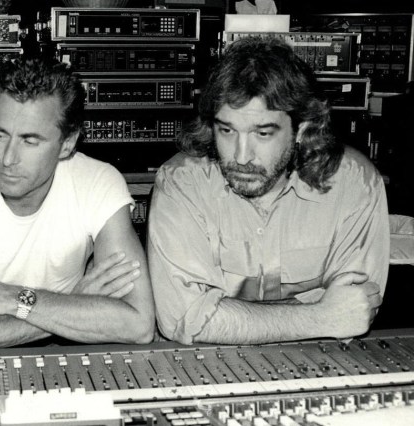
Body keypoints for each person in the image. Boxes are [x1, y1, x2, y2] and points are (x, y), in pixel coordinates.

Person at [148, 36, 389, 345]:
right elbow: (182, 317)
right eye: (227, 130)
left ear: (301, 130)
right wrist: (321, 315)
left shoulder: (355, 183)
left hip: (319, 360)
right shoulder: (182, 183)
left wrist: (225, 313)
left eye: (262, 133)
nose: (241, 156)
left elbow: (355, 309)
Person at [0, 58, 155, 353]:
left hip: (60, 355)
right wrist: (73, 303)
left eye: (30, 141)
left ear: (67, 143)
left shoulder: (98, 182)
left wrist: (13, 298)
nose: (7, 158)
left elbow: (139, 324)